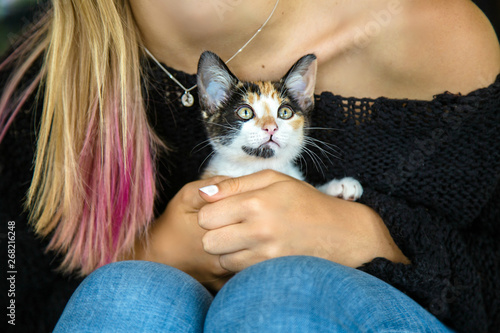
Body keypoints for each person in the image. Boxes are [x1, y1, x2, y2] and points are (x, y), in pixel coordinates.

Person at [1, 0, 499, 332]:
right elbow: (14, 301)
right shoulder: (40, 81)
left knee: (280, 292)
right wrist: (156, 252)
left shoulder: (429, 30)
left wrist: (371, 239)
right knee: (125, 295)